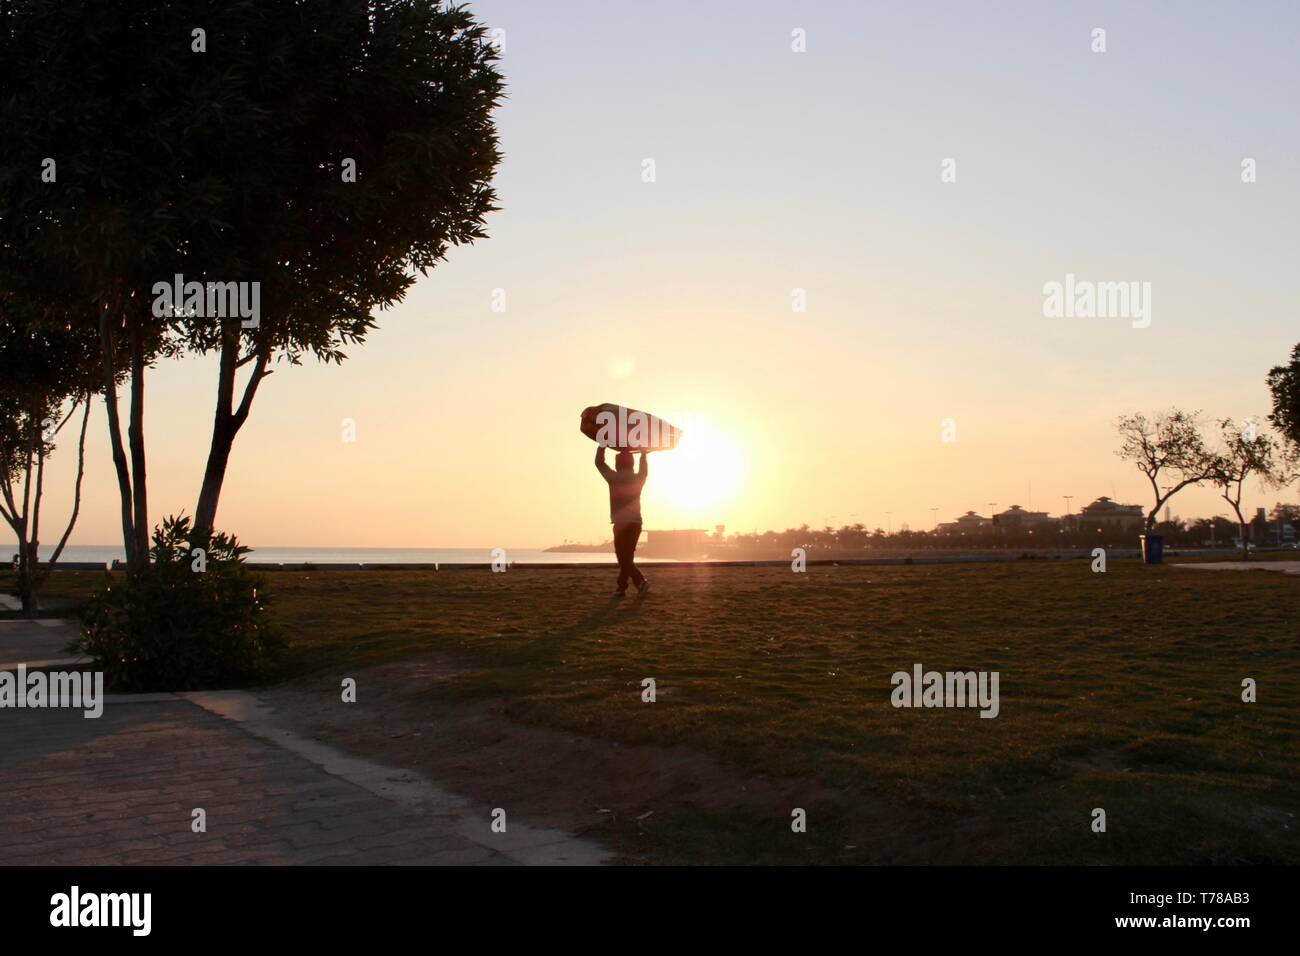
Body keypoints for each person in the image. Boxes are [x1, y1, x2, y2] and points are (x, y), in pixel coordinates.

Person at [595, 446, 650, 598]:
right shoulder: (637, 479)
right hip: (635, 524)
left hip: (621, 524)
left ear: (618, 464)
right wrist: (643, 455)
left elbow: (599, 463)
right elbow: (644, 471)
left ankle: (635, 583)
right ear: (631, 464)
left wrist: (601, 447)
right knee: (627, 557)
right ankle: (623, 589)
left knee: (623, 557)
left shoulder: (614, 479)